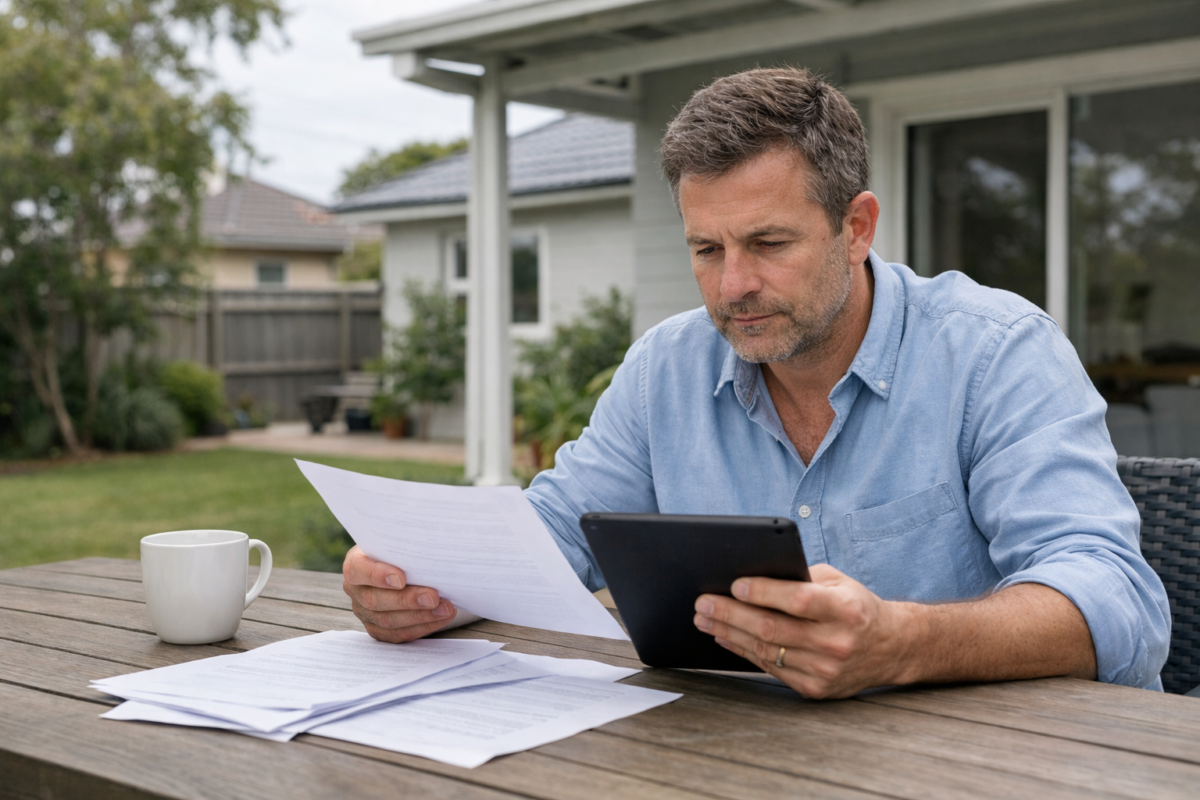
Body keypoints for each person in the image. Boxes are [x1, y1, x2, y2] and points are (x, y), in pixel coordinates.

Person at [343, 67, 1170, 698]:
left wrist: (904, 642)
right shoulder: (666, 367)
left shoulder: (996, 353)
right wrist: (426, 585)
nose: (731, 284)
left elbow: (1117, 600)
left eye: (768, 244)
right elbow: (556, 531)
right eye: (707, 250)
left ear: (856, 227)